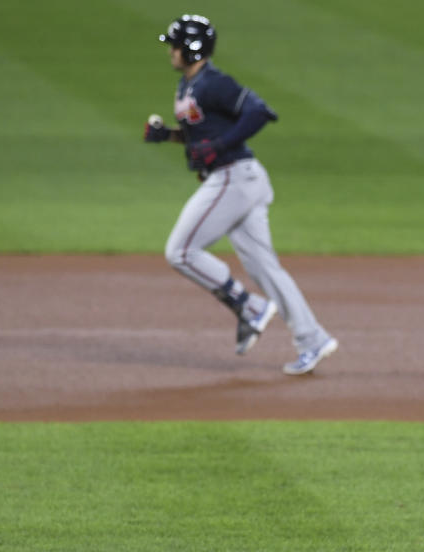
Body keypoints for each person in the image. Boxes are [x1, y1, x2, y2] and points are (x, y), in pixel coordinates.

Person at [144, 14, 337, 375]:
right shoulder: (188, 86)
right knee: (266, 269)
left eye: (174, 44)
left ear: (191, 48)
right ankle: (313, 339)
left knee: (181, 251)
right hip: (237, 180)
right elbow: (203, 136)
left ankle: (249, 307)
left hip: (234, 178)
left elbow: (260, 112)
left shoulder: (213, 82)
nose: (170, 50)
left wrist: (221, 144)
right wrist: (168, 136)